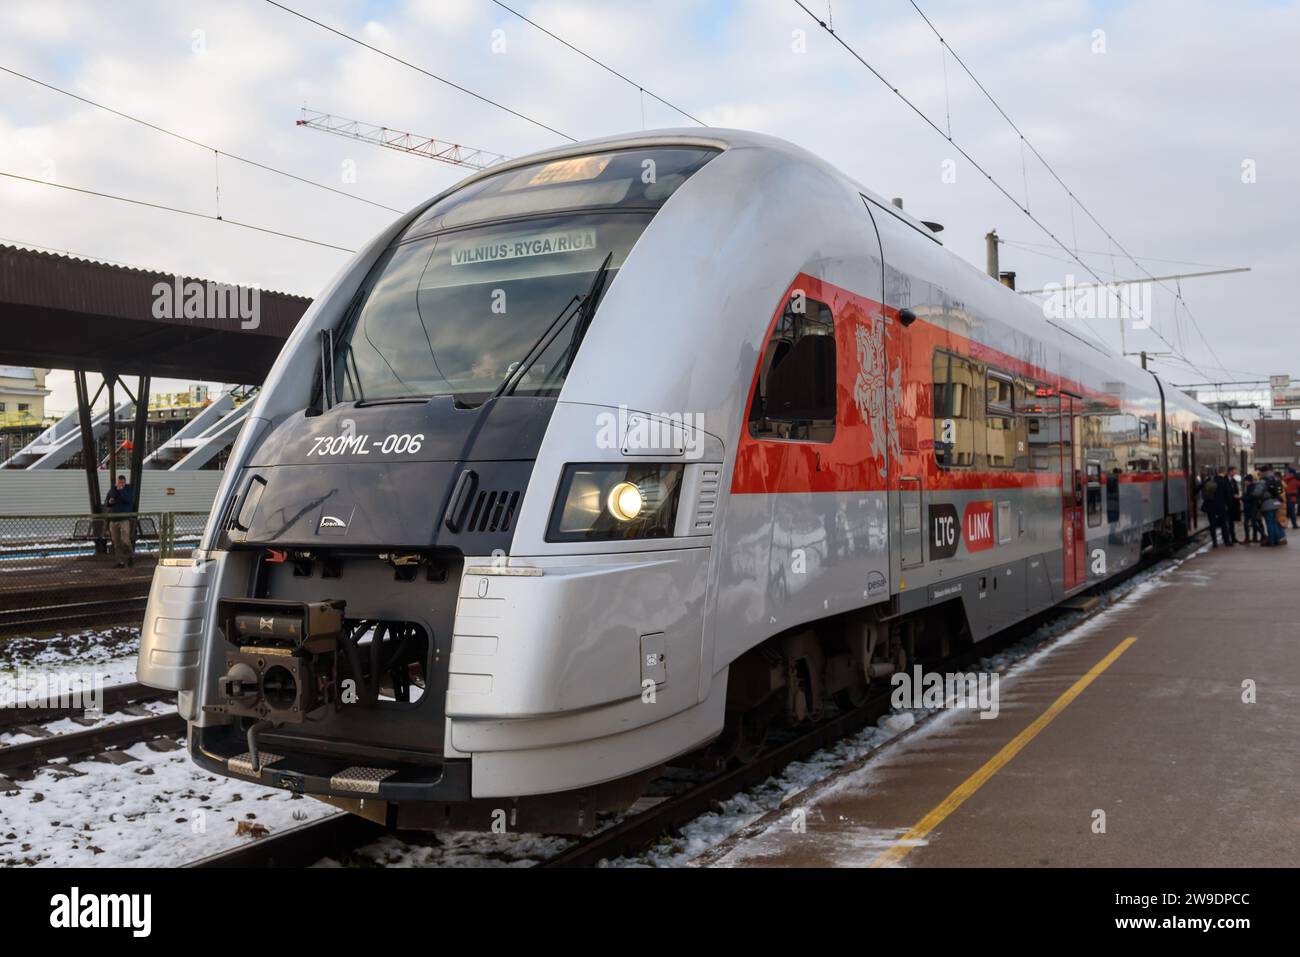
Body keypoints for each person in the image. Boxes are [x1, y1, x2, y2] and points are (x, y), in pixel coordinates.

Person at [104, 474, 135, 568]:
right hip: (113, 520)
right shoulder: (112, 490)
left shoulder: (128, 489)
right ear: (116, 482)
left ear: (125, 483)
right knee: (116, 542)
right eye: (119, 482)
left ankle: (130, 557)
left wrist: (121, 491)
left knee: (125, 540)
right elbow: (106, 502)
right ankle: (120, 561)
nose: (120, 484)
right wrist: (109, 502)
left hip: (124, 519)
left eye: (122, 482)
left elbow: (128, 500)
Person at [1201, 468, 1230, 547]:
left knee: (1212, 524)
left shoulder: (1208, 481)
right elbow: (1228, 494)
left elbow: (1200, 488)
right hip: (1220, 506)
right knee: (1223, 523)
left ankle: (1214, 542)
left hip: (1210, 506)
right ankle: (1226, 541)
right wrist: (1228, 504)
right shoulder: (1223, 481)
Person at [1259, 466, 1287, 547]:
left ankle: (1271, 541)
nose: (1259, 473)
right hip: (1276, 503)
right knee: (1274, 522)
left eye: (1260, 471)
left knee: (1270, 523)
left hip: (1267, 504)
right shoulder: (1275, 478)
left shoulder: (1263, 480)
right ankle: (1277, 540)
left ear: (1264, 472)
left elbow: (1257, 492)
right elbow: (1281, 490)